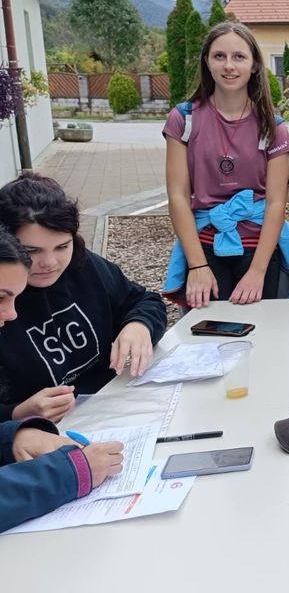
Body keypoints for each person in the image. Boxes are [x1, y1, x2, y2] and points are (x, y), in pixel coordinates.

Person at [0, 173, 167, 423]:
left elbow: (145, 300)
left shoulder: (83, 264)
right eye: (31, 251)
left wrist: (139, 324)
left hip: (114, 404)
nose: (50, 263)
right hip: (47, 431)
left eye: (62, 247)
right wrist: (17, 414)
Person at [164, 21, 289, 310]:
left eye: (239, 56)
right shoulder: (183, 120)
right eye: (219, 56)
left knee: (259, 330)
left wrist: (258, 272)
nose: (229, 65)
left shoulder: (273, 128)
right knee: (209, 330)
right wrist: (197, 265)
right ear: (206, 61)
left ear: (254, 65)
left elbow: (276, 202)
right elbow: (177, 195)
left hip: (258, 247)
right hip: (204, 244)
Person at [0, 228, 125, 532]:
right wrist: (72, 473)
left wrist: (13, 436)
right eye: (1, 297)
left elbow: (140, 300)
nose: (12, 314)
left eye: (62, 247)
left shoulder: (88, 268)